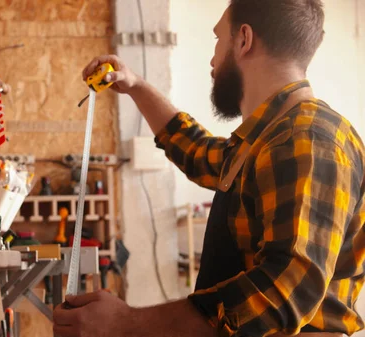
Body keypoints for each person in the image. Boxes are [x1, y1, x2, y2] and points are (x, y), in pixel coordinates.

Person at [53, 1, 365, 336]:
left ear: (243, 40)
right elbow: (197, 153)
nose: (212, 60)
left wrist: (127, 324)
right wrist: (135, 86)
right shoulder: (266, 141)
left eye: (218, 40)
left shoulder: (308, 140)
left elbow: (285, 290)